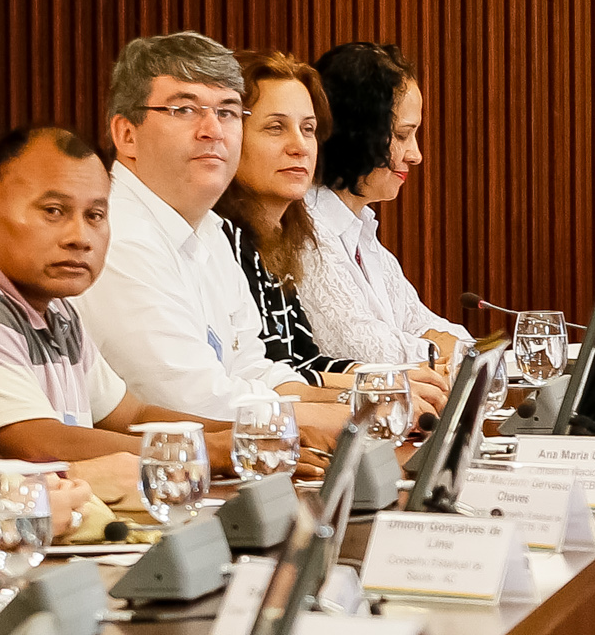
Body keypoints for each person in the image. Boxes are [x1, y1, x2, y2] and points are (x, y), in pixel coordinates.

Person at [0, 126, 233, 494]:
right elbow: (38, 444)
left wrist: (240, 435)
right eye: (54, 211)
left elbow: (130, 415)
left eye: (95, 215)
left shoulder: (53, 305)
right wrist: (203, 451)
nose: (79, 237)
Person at [80, 32, 346, 449]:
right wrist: (345, 416)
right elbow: (188, 401)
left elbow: (254, 369)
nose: (213, 130)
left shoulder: (210, 228)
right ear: (126, 134)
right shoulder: (114, 232)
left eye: (227, 111)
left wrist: (354, 404)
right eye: (185, 109)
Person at [214, 48, 440, 408]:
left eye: (309, 129)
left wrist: (381, 381)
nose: (300, 147)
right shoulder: (224, 241)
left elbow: (303, 365)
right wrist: (377, 385)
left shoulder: (282, 236)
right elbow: (255, 381)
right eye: (276, 127)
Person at [303, 42, 467, 371]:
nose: (416, 155)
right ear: (357, 133)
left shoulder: (361, 229)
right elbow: (368, 350)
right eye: (403, 135)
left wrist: (430, 343)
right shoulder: (305, 230)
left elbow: (453, 337)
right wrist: (435, 347)